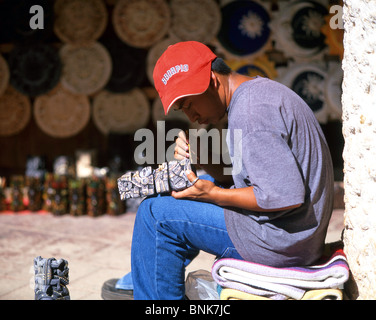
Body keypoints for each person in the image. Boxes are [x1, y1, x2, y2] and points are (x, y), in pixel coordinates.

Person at [101, 41, 334, 300]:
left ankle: (152, 293)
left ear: (211, 80)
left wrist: (213, 194)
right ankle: (149, 277)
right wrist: (203, 160)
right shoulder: (255, 94)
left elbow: (281, 195)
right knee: (190, 188)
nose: (191, 116)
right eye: (182, 110)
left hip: (281, 242)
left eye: (189, 104)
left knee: (155, 215)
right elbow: (252, 178)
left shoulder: (251, 112)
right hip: (291, 232)